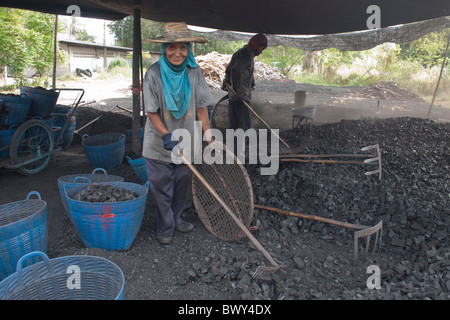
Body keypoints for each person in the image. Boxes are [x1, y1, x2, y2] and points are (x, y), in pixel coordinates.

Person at [143, 22, 214, 245]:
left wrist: (209, 137)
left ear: (188, 49)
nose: (177, 52)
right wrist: (166, 136)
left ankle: (177, 218)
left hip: (187, 141)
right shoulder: (153, 74)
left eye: (182, 47)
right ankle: (165, 227)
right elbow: (151, 112)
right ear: (164, 49)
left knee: (182, 185)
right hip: (159, 142)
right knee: (163, 187)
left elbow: (202, 107)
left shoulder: (194, 72)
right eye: (172, 47)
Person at [222, 33, 268, 162]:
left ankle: (234, 156)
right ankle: (239, 159)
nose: (260, 51)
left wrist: (228, 83)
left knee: (236, 128)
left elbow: (229, 69)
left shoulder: (241, 53)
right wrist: (241, 92)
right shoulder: (246, 55)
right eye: (260, 48)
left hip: (234, 97)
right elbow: (236, 71)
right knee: (243, 128)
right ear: (255, 44)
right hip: (240, 99)